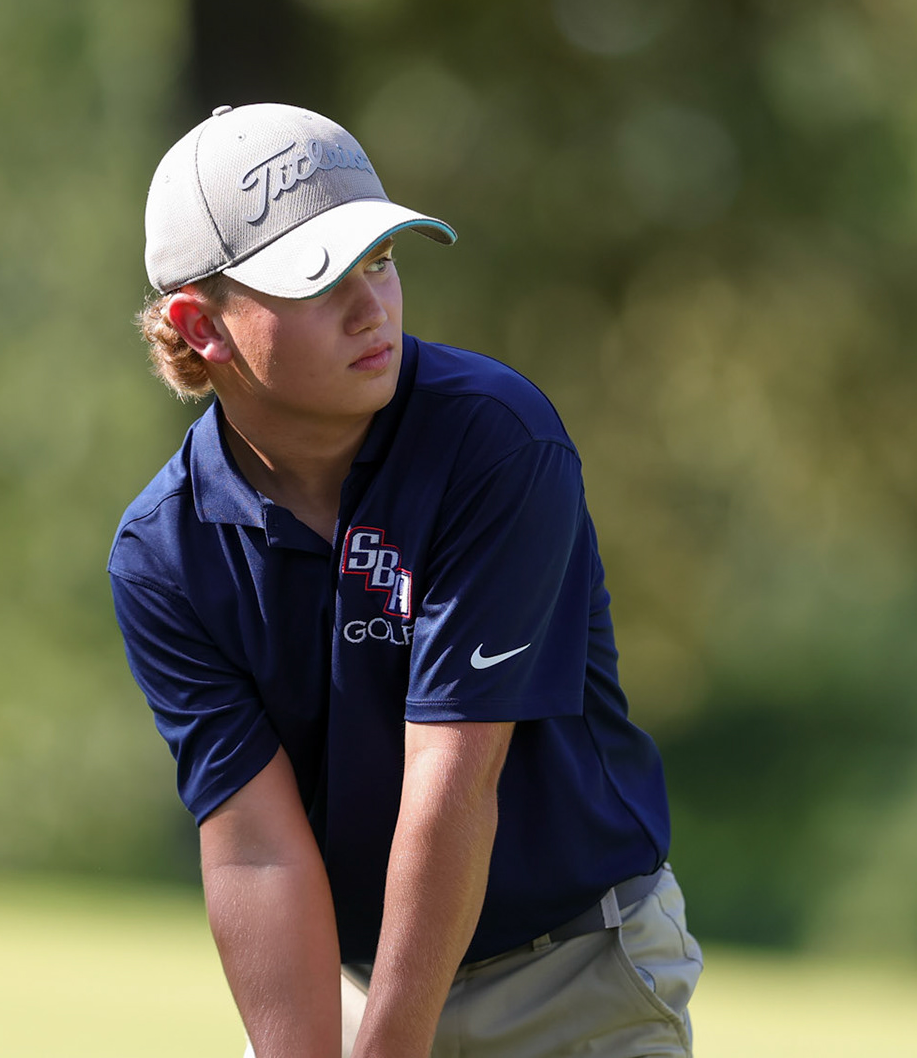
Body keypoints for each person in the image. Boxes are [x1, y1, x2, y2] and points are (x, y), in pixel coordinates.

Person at [108, 103, 702, 1058]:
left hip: (576, 977)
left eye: (380, 261)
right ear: (198, 325)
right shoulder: (164, 553)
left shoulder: (495, 440)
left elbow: (452, 784)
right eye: (319, 281)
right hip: (358, 985)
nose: (370, 307)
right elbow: (258, 851)